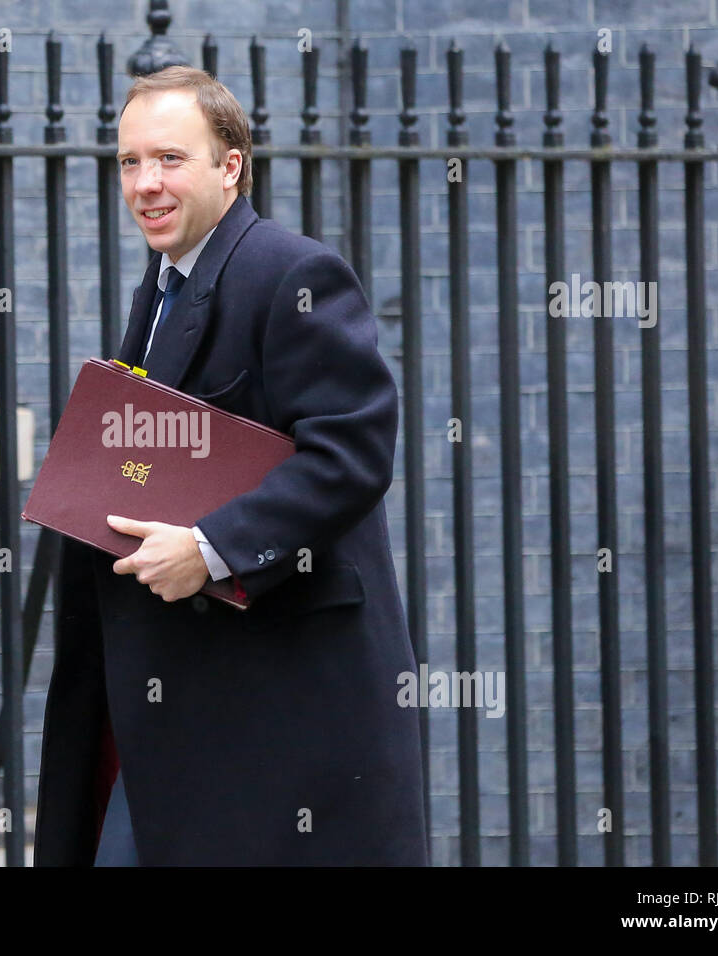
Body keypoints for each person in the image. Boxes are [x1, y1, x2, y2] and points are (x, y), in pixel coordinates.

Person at [32, 65, 427, 866]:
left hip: (272, 713)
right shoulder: (167, 282)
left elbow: (351, 450)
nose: (146, 184)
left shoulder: (293, 274)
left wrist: (209, 545)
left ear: (230, 165)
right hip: (180, 710)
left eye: (170, 159)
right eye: (130, 162)